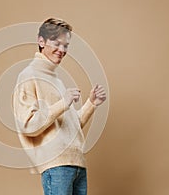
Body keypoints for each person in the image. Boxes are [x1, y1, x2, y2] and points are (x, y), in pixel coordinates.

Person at [12, 17, 106, 195]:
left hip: (77, 163)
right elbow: (28, 125)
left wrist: (91, 104)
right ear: (41, 41)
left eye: (66, 45)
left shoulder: (55, 79)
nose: (62, 50)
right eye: (57, 43)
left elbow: (70, 127)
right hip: (56, 165)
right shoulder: (28, 75)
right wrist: (63, 102)